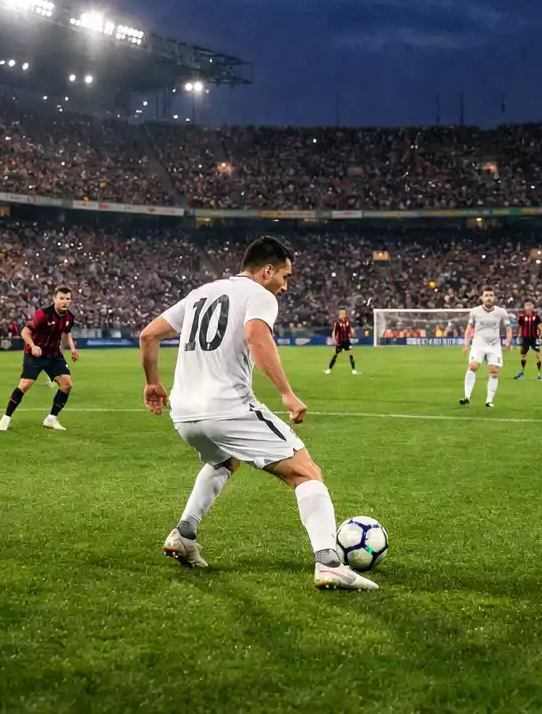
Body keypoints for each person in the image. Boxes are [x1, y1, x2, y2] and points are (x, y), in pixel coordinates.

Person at [138, 236, 376, 590]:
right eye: (285, 276)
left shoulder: (201, 293)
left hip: (184, 413)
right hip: (227, 408)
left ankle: (183, 534)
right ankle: (329, 563)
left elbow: (148, 335)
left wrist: (152, 383)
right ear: (267, 271)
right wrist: (287, 394)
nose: (285, 285)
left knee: (223, 460)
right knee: (306, 472)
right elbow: (256, 336)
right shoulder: (259, 295)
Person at [0, 289, 79, 431]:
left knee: (67, 385)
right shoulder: (43, 314)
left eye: (67, 299)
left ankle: (51, 419)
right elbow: (25, 332)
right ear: (54, 299)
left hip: (54, 355)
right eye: (61, 298)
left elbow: (67, 332)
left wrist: (72, 348)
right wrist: (33, 346)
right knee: (25, 384)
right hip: (35, 354)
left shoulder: (69, 317)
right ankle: (6, 417)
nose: (65, 301)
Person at [459, 288, 511, 408]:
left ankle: (489, 401)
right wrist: (466, 344)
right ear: (482, 298)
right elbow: (469, 328)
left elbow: (508, 328)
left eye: (491, 295)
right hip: (479, 344)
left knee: (493, 371)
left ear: (494, 298)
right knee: (473, 366)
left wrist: (508, 342)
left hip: (494, 345)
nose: (489, 298)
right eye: (486, 295)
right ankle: (467, 397)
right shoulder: (475, 311)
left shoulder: (501, 312)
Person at [513, 300, 542, 380]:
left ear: (532, 307)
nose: (528, 308)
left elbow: (541, 328)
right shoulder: (522, 317)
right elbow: (518, 326)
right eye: (527, 306)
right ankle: (522, 371)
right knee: (523, 356)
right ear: (524, 308)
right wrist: (516, 334)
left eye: (530, 306)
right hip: (525, 339)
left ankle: (539, 374)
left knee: (538, 355)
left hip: (535, 338)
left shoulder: (536, 317)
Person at [324, 308, 358, 375]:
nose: (342, 315)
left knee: (350, 355)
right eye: (341, 314)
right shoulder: (337, 323)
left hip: (347, 342)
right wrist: (334, 340)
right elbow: (334, 332)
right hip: (340, 342)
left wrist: (352, 334)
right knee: (335, 355)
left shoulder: (347, 322)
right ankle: (329, 369)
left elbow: (349, 331)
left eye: (343, 313)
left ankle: (354, 370)